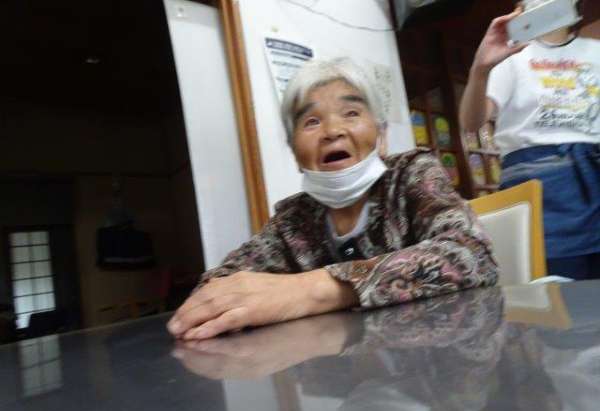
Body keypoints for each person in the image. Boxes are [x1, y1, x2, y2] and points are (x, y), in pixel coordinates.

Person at [168, 57, 498, 341]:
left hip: (436, 365)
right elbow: (219, 288)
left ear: (381, 137)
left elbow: (471, 254)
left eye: (351, 113)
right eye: (311, 121)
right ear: (295, 154)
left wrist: (311, 291)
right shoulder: (293, 220)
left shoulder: (411, 174)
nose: (332, 131)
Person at [459, 3, 600, 280]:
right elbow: (471, 122)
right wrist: (480, 69)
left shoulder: (596, 51)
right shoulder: (511, 55)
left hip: (594, 171)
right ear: (520, 7)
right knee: (557, 282)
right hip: (539, 182)